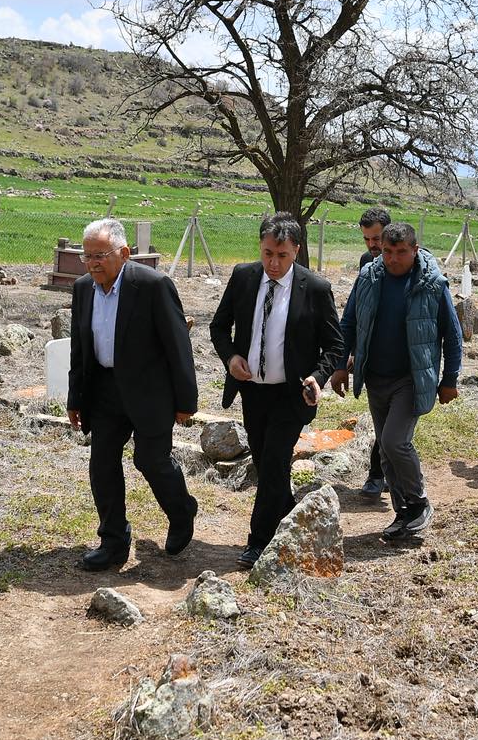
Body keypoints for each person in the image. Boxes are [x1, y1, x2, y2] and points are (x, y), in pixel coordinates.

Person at [211, 213, 344, 569]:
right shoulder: (243, 277)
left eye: (282, 255)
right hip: (253, 391)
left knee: (273, 460)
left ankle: (258, 541)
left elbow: (335, 344)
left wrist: (318, 376)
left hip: (291, 394)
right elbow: (219, 327)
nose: (273, 263)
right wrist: (231, 357)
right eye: (268, 253)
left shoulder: (314, 288)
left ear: (296, 250)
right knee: (266, 463)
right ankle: (293, 517)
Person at [67, 218, 198, 572]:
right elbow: (79, 348)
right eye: (87, 255)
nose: (92, 263)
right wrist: (75, 397)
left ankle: (181, 511)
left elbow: (178, 346)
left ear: (124, 253)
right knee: (102, 464)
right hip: (104, 390)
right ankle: (113, 540)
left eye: (100, 255)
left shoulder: (153, 286)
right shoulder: (83, 289)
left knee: (150, 460)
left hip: (149, 390)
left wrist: (186, 401)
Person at [329, 223, 461, 540]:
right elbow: (348, 323)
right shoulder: (369, 278)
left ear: (415, 250)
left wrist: (450, 379)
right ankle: (404, 513)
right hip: (376, 377)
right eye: (388, 251)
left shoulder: (432, 284)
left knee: (394, 442)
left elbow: (453, 334)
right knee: (386, 452)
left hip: (412, 378)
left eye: (401, 252)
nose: (392, 258)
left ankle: (419, 502)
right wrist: (340, 366)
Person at [354, 207, 391, 498]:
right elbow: (359, 309)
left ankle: (379, 474)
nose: (372, 245)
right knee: (383, 423)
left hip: (406, 359)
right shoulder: (366, 262)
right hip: (375, 358)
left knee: (394, 427)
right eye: (367, 239)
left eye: (376, 238)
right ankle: (383, 473)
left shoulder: (413, 258)